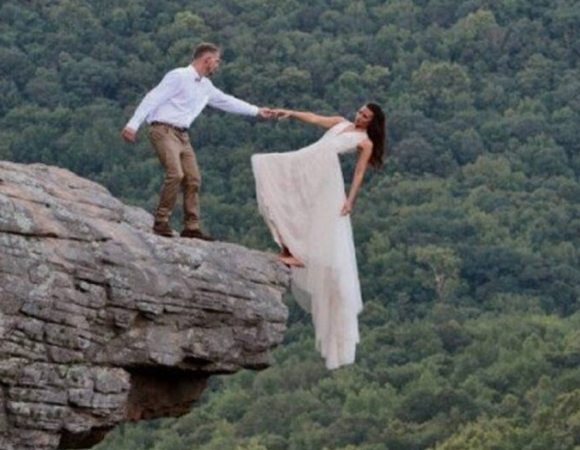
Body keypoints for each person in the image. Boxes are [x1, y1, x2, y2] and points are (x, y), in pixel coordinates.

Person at [251, 103, 386, 369]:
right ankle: (289, 250)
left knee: (309, 216)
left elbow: (360, 171)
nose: (360, 117)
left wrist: (350, 200)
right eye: (360, 112)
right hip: (306, 162)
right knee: (267, 171)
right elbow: (313, 117)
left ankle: (297, 255)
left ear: (372, 123)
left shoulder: (365, 141)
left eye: (365, 116)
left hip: (324, 177)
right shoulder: (339, 121)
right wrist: (290, 112)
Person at [122, 42, 275, 241]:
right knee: (175, 174)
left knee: (193, 179)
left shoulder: (206, 86)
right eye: (217, 61)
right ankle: (161, 222)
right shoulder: (179, 76)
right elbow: (153, 97)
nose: (218, 66)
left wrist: (257, 111)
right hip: (163, 129)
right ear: (207, 60)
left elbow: (227, 101)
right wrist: (133, 124)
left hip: (182, 135)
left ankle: (191, 227)